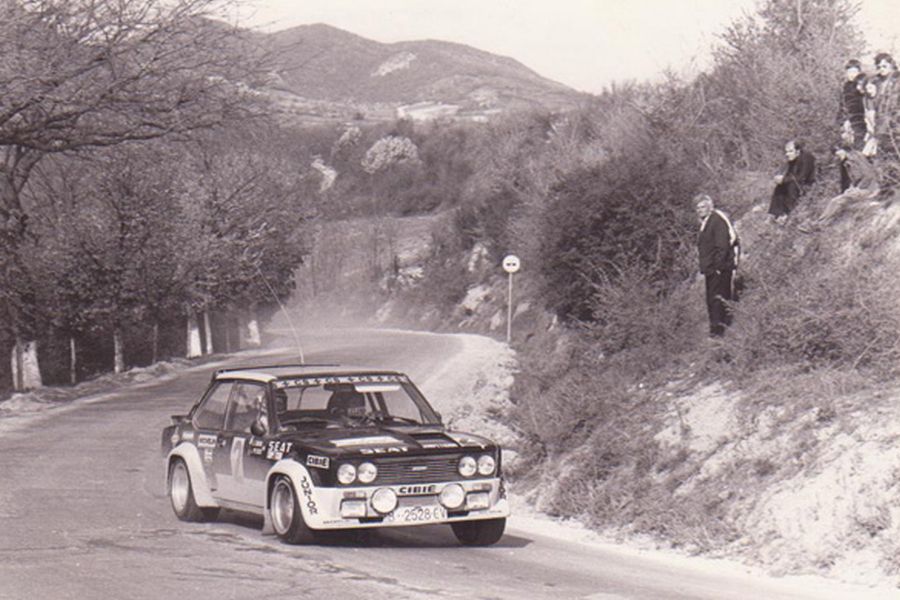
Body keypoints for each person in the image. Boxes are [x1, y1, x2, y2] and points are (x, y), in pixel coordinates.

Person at [799, 143, 880, 232]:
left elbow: (868, 175)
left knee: (836, 201)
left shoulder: (853, 159)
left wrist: (857, 188)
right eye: (835, 153)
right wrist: (852, 188)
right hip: (866, 187)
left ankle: (820, 224)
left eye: (837, 152)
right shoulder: (852, 159)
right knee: (839, 200)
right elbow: (857, 178)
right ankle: (819, 223)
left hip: (868, 189)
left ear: (843, 150)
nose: (837, 155)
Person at [695, 194, 739, 337]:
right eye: (697, 207)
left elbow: (723, 246)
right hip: (712, 269)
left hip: (719, 269)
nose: (700, 210)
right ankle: (721, 328)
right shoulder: (707, 222)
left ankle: (717, 332)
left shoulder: (717, 221)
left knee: (716, 299)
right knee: (714, 299)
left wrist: (718, 267)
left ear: (710, 207)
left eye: (703, 207)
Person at [767, 139, 816, 223]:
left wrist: (785, 179)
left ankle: (787, 213)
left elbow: (802, 177)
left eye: (790, 151)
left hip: (808, 185)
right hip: (797, 182)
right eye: (786, 152)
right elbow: (790, 174)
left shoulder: (807, 158)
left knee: (791, 185)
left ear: (798, 151)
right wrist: (781, 178)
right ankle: (775, 213)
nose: (787, 154)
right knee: (780, 186)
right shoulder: (793, 159)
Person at [838, 58, 867, 149]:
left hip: (860, 119)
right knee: (847, 144)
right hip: (848, 119)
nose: (851, 75)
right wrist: (842, 120)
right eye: (849, 72)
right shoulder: (846, 86)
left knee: (859, 143)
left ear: (859, 72)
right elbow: (843, 104)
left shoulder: (862, 85)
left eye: (854, 72)